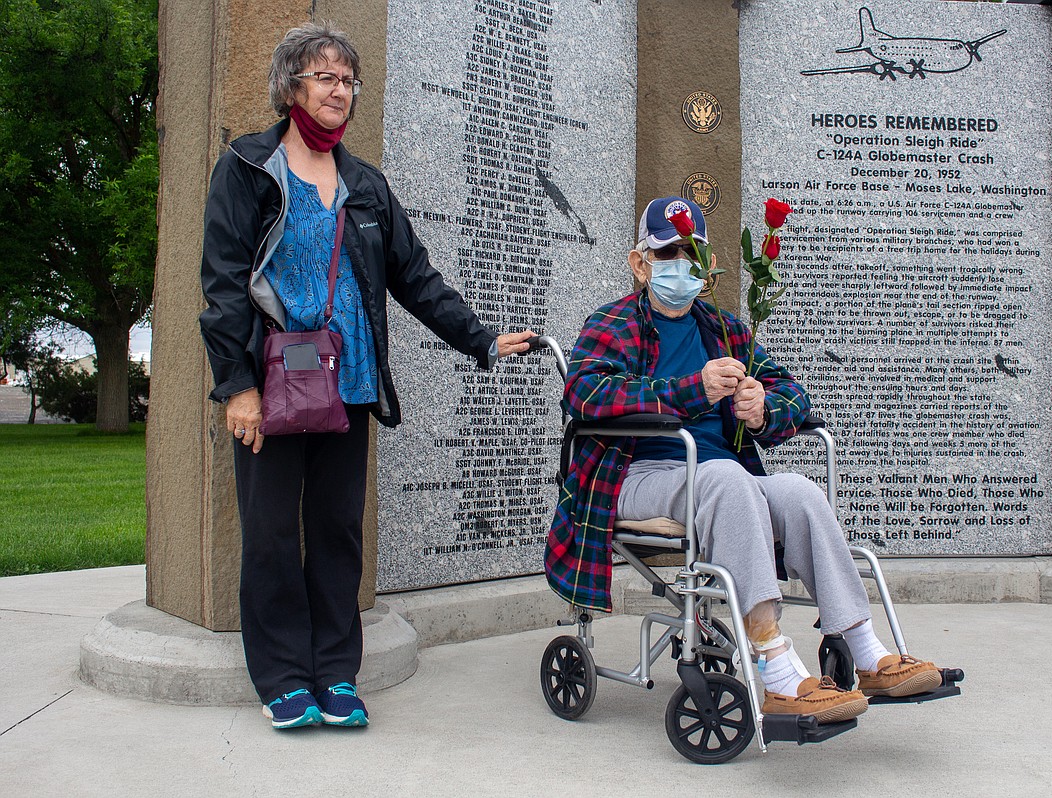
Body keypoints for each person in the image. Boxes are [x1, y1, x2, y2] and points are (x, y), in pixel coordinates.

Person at [199, 22, 533, 730]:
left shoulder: (365, 184)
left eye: (348, 80)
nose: (339, 90)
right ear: (292, 84)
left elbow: (415, 278)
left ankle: (334, 673)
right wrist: (238, 385)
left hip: (346, 386)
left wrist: (479, 339)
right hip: (272, 384)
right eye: (325, 77)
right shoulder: (249, 168)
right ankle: (284, 677)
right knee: (267, 534)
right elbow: (224, 284)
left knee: (335, 531)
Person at [546, 196, 944, 722]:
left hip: (717, 477)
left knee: (799, 491)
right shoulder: (613, 324)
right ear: (639, 263)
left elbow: (793, 393)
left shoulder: (726, 330)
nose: (681, 265)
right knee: (728, 479)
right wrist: (692, 389)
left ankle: (863, 645)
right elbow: (585, 394)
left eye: (692, 253)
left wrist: (762, 411)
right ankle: (776, 668)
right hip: (636, 474)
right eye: (667, 253)